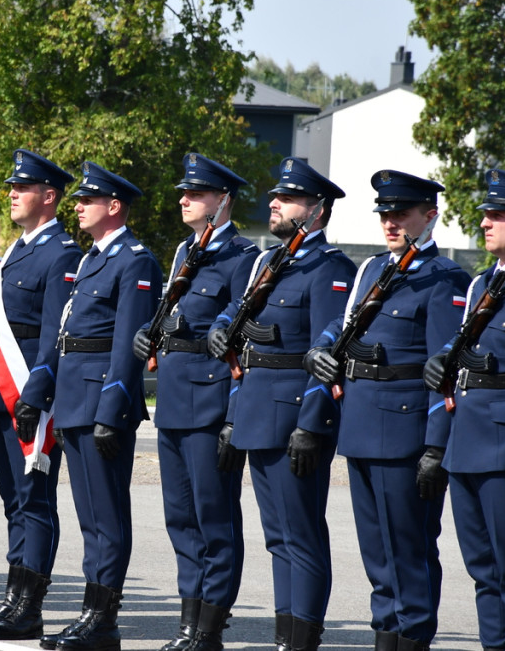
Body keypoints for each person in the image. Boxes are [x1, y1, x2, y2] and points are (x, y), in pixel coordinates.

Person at [304, 171, 469, 651]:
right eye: (385, 214)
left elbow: (445, 369)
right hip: (361, 426)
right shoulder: (371, 271)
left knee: (409, 552)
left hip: (406, 435)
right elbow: (345, 320)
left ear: (430, 215)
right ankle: (385, 639)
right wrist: (323, 344)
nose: (391, 223)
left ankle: (413, 637)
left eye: (402, 214)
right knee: (377, 556)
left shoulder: (445, 280)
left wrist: (435, 446)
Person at [207, 157, 355, 651]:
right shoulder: (267, 263)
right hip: (256, 411)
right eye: (276, 196)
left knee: (302, 535)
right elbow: (236, 333)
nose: (274, 203)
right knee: (277, 538)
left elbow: (325, 352)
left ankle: (303, 639)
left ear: (316, 211)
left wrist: (311, 425)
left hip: (293, 417)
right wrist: (218, 334)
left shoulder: (330, 269)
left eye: (287, 198)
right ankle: (284, 637)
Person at [131, 153, 259, 651]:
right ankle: (189, 622)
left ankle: (210, 627)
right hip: (175, 400)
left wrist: (231, 415)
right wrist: (151, 331)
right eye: (185, 192)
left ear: (222, 200)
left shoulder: (242, 257)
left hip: (210, 400)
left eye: (196, 194)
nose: (184, 199)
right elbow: (174, 312)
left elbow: (236, 335)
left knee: (215, 515)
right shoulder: (188, 250)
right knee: (180, 516)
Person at [37, 161, 162, 651]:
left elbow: (129, 342)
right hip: (75, 398)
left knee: (107, 515)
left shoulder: (134, 259)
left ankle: (103, 618)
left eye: (87, 201)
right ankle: (92, 612)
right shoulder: (92, 258)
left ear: (114, 207)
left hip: (101, 403)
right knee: (89, 516)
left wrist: (113, 409)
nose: (78, 207)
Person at [0, 149, 81, 641]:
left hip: (30, 397)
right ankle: (14, 598)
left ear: (48, 197)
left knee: (34, 500)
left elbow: (55, 332)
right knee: (15, 500)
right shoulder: (17, 248)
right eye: (13, 186)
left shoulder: (62, 252)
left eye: (23, 188)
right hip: (0, 394)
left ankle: (30, 605)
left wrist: (35, 395)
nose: (11, 193)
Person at [423, 169, 505, 651]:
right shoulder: (485, 282)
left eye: (499, 214)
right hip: (466, 446)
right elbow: (458, 377)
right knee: (482, 571)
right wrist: (438, 446)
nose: (486, 222)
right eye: (485, 214)